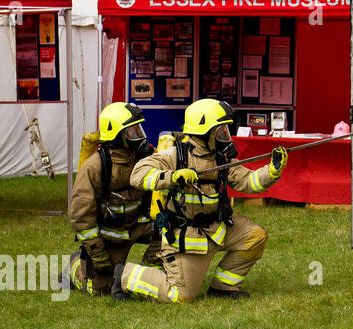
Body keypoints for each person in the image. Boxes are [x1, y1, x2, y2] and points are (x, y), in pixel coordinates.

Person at [115, 98, 287, 302]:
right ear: (204, 133)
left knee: (255, 237)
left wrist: (272, 171)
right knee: (180, 296)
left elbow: (248, 182)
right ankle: (124, 275)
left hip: (218, 228)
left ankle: (223, 288)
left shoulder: (221, 158)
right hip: (188, 236)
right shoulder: (175, 155)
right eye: (220, 131)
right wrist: (172, 177)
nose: (225, 136)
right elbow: (138, 175)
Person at [63, 102, 162, 295]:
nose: (140, 136)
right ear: (117, 137)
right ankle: (73, 266)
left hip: (137, 226)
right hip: (109, 234)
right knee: (99, 289)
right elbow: (81, 217)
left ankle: (143, 274)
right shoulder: (95, 167)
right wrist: (98, 255)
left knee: (170, 232)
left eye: (139, 129)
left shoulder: (144, 158)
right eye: (133, 132)